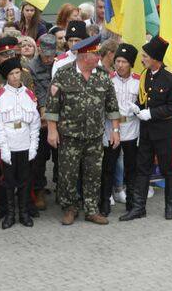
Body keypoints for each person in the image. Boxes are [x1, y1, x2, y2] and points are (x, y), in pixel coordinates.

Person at [45, 35, 120, 226]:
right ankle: (70, 208)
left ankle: (91, 209)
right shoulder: (63, 74)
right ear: (85, 56)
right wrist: (52, 131)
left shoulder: (102, 75)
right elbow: (52, 106)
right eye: (96, 54)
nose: (99, 58)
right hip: (69, 136)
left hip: (94, 136)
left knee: (93, 173)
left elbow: (112, 106)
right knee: (68, 173)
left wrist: (115, 130)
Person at [120, 36, 172, 221]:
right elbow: (144, 99)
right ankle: (139, 207)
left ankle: (170, 205)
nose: (142, 59)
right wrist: (137, 108)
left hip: (163, 132)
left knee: (168, 168)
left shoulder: (171, 77)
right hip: (146, 131)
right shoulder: (145, 75)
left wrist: (152, 113)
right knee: (142, 168)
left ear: (156, 58)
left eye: (145, 56)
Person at [0, 58, 40, 229]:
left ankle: (24, 212)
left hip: (25, 142)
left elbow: (35, 123)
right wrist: (3, 147)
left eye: (17, 72)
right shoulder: (0, 96)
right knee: (8, 181)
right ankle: (10, 214)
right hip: (9, 142)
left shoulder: (29, 94)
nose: (15, 77)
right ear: (6, 76)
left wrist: (33, 145)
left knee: (25, 180)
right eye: (11, 74)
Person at [100, 43, 140, 216]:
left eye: (124, 62)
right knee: (108, 166)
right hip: (111, 128)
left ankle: (132, 203)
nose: (120, 65)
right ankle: (104, 201)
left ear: (131, 64)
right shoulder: (108, 79)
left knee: (131, 167)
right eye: (117, 61)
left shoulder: (139, 81)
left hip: (131, 127)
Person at [27, 33, 56, 211]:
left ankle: (62, 189)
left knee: (61, 157)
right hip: (40, 119)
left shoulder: (60, 63)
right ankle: (38, 190)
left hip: (59, 116)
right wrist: (43, 110)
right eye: (45, 55)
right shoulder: (31, 66)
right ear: (39, 50)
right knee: (39, 159)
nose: (48, 58)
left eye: (51, 55)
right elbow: (35, 89)